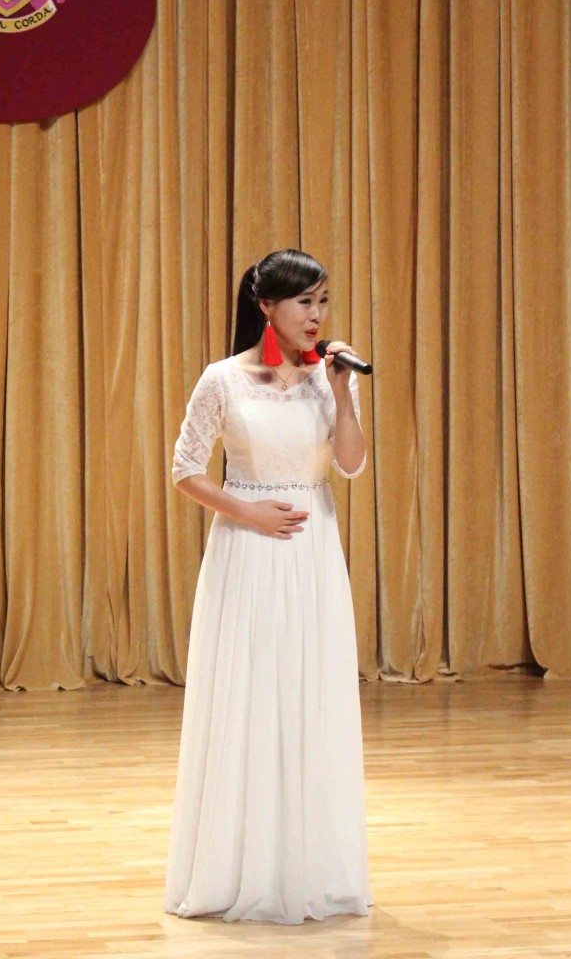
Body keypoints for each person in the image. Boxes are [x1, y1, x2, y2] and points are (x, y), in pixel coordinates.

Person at [163, 248, 373, 924]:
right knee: (250, 695)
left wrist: (340, 390)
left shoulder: (331, 378)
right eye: (304, 301)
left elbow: (350, 464)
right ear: (265, 306)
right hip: (248, 549)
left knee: (311, 696)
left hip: (313, 551)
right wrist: (246, 511)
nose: (316, 315)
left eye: (323, 301)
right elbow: (185, 469)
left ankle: (310, 868)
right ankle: (239, 866)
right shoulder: (224, 379)